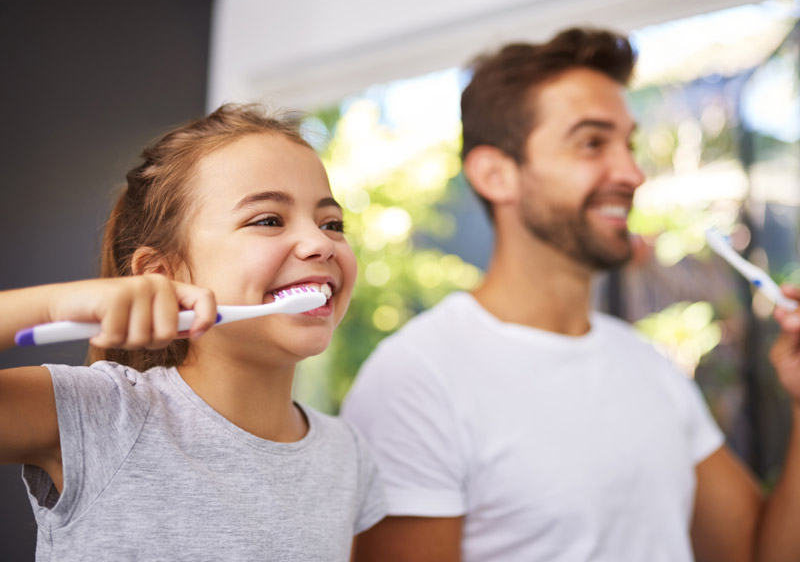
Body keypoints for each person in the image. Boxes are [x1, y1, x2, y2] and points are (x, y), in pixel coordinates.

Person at [341, 28, 800, 561]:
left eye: (627, 143)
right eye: (591, 142)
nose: (631, 173)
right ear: (496, 175)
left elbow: (759, 554)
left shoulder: (646, 366)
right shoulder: (415, 380)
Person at [0, 104, 386, 561]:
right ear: (164, 274)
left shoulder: (349, 458)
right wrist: (51, 305)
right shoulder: (96, 415)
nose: (321, 243)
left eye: (332, 224)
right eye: (268, 220)